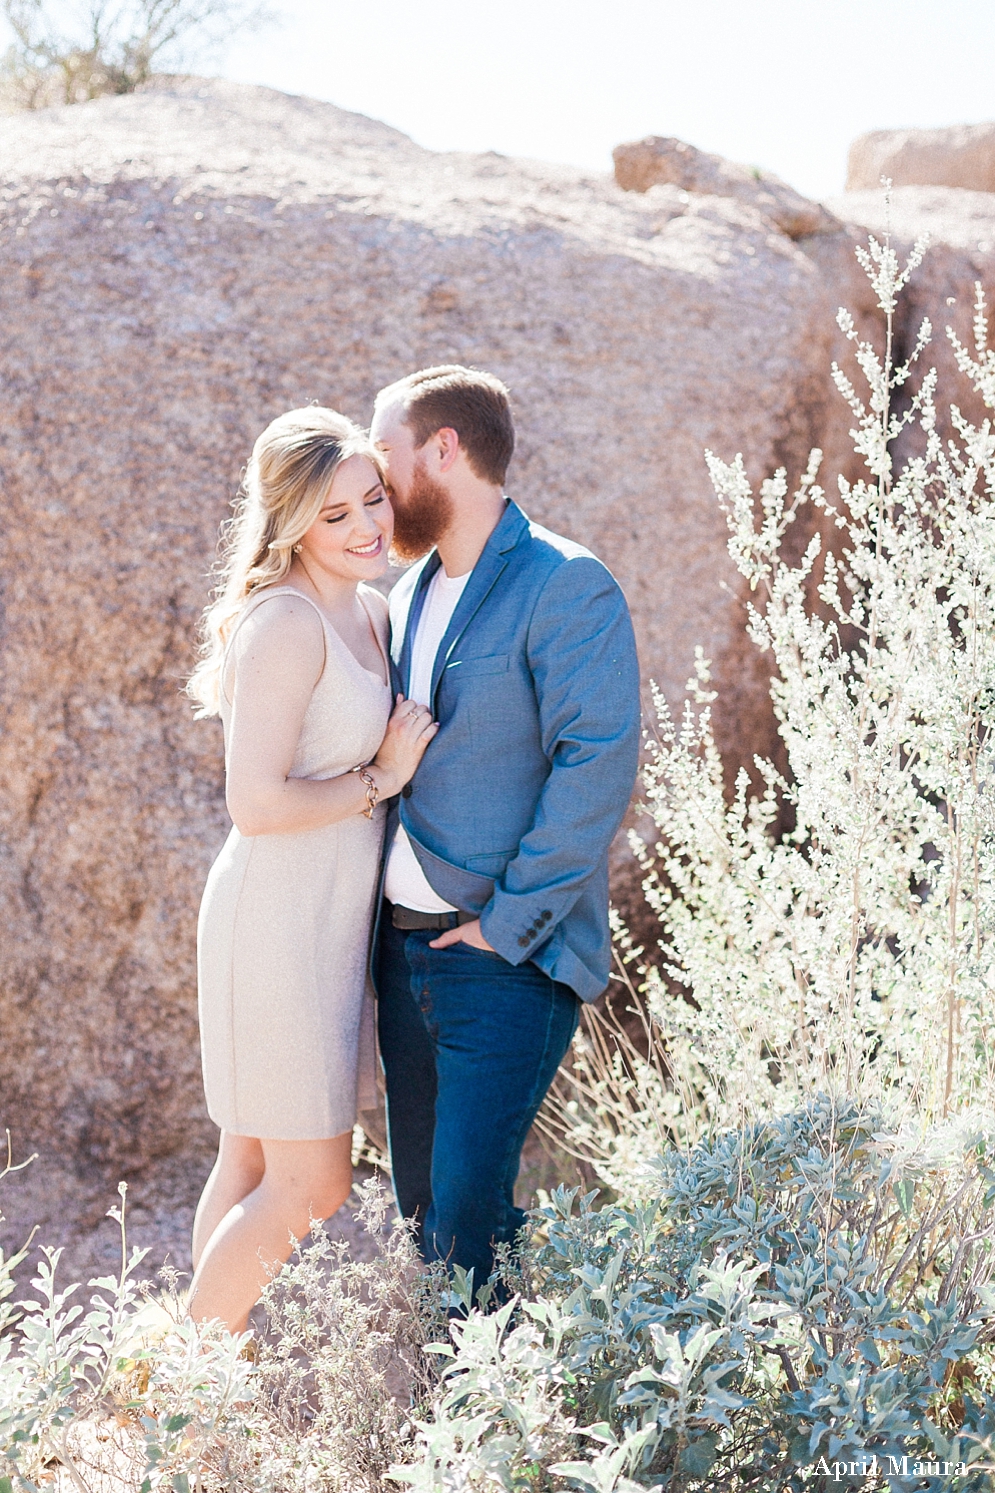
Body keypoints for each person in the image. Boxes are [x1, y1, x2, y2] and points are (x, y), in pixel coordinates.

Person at [370, 365, 641, 1290]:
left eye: (385, 456)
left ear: (442, 451)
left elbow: (595, 768)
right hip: (400, 956)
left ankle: (494, 1425)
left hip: (500, 960)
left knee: (464, 1229)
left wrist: (503, 928)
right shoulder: (405, 595)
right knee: (427, 1216)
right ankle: (495, 1411)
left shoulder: (565, 583)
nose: (375, 482)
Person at [185, 408, 437, 1333]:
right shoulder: (285, 622)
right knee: (315, 1181)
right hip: (274, 920)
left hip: (325, 924)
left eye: (372, 499)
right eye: (335, 516)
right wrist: (380, 778)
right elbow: (253, 802)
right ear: (291, 521)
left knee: (250, 1162)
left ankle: (198, 1377)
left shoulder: (369, 606)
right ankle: (179, 1395)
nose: (368, 526)